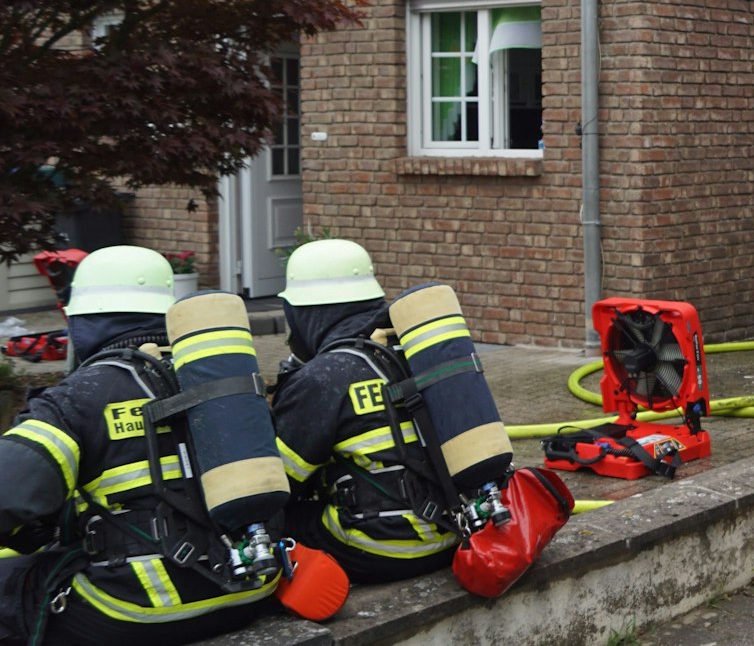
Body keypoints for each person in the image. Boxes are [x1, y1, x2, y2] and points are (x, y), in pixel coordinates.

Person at [0, 246, 278, 645]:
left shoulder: (80, 396)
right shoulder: (220, 382)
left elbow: (8, 491)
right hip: (249, 589)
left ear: (84, 322)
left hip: (137, 609)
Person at [270, 239, 460, 583]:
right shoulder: (415, 349)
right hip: (454, 532)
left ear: (305, 314)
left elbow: (280, 483)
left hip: (382, 549)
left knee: (275, 522)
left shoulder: (323, 377)